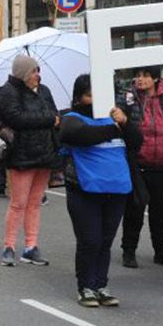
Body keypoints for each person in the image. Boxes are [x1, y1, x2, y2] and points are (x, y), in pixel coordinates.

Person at [59, 75, 141, 308]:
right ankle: (85, 286)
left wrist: (124, 123)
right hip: (85, 189)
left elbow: (137, 141)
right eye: (89, 94)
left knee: (105, 241)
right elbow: (77, 134)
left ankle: (100, 285)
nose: (95, 99)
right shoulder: (72, 117)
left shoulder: (115, 116)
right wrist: (113, 130)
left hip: (116, 189)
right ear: (79, 96)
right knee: (90, 240)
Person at [0, 54, 60, 267]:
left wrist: (50, 119)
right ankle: (9, 246)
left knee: (35, 203)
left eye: (38, 71)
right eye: (33, 71)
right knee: (18, 203)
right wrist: (48, 120)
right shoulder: (8, 92)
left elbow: (55, 114)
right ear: (22, 73)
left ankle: (31, 246)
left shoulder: (44, 91)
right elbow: (18, 119)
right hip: (21, 155)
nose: (37, 75)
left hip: (44, 153)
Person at [119, 66, 163, 268]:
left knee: (160, 212)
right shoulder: (128, 99)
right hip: (138, 165)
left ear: (155, 78)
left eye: (145, 75)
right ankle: (129, 250)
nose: (140, 79)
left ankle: (161, 251)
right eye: (137, 75)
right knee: (135, 210)